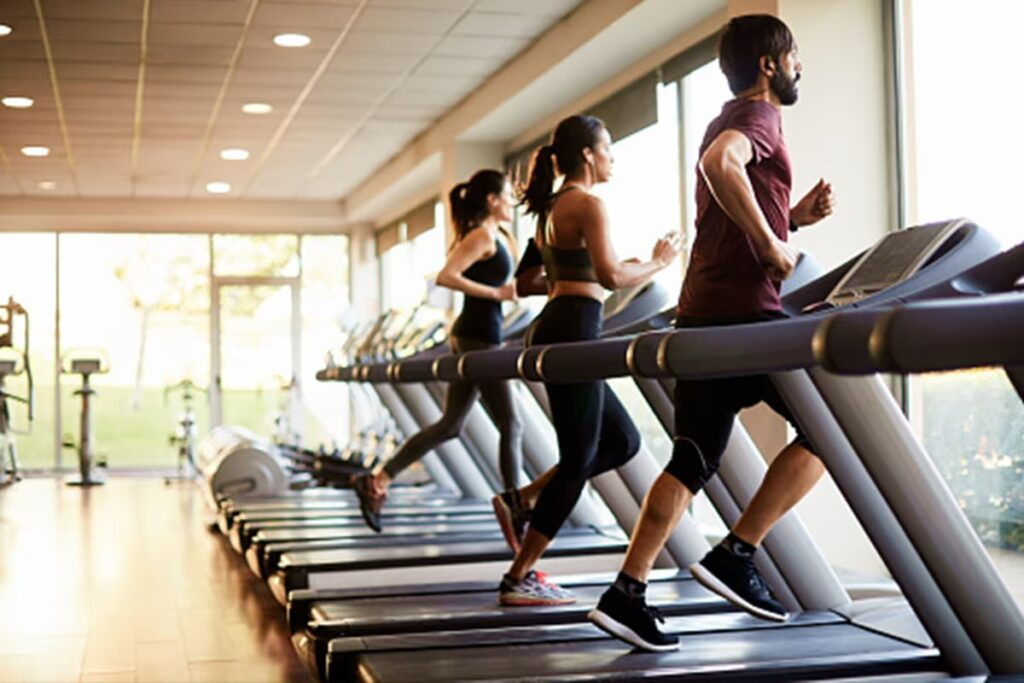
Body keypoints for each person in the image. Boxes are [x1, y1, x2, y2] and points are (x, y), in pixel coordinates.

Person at [587, 14, 836, 651]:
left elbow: (727, 197)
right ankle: (737, 551)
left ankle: (626, 592)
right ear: (768, 66)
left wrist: (792, 220)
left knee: (692, 459)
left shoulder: (725, 115)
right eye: (794, 57)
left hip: (703, 315)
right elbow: (720, 166)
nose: (799, 67)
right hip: (744, 319)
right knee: (834, 431)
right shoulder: (755, 120)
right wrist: (776, 248)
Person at [497, 115, 681, 606]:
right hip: (575, 327)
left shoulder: (550, 208)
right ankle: (519, 576)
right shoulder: (588, 205)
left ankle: (524, 498)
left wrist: (569, 284)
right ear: (587, 155)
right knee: (579, 459)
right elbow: (614, 273)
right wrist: (660, 261)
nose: (612, 158)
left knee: (621, 441)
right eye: (608, 148)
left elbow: (529, 282)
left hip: (561, 323)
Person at [354, 170, 551, 539]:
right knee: (512, 423)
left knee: (451, 425)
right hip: (477, 337)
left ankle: (378, 480)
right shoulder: (480, 235)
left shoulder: (499, 236)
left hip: (480, 334)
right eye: (507, 194)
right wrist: (493, 295)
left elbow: (507, 286)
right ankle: (513, 503)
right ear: (492, 200)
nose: (511, 200)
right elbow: (446, 276)